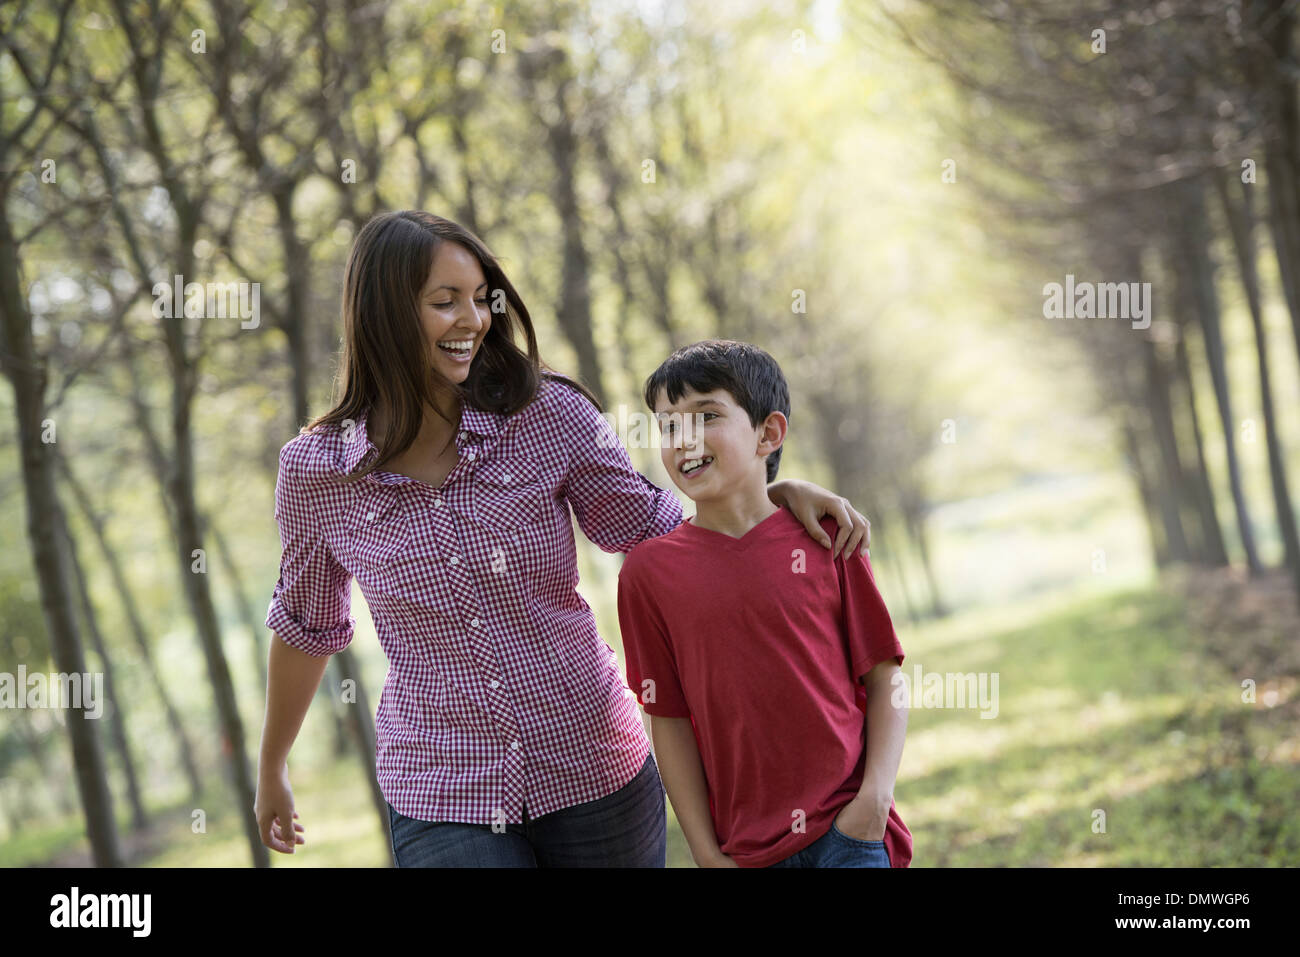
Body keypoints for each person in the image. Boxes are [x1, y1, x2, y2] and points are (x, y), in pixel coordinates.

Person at [253, 211, 875, 867]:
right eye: (445, 302)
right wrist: (272, 766)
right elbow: (305, 623)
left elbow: (656, 525)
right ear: (383, 315)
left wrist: (767, 494)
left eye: (478, 298)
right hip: (442, 787)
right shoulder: (315, 471)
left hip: (594, 767)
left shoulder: (545, 413)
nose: (473, 318)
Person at [617, 339, 912, 868]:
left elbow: (885, 675)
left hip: (850, 834)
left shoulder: (826, 536)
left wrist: (874, 800)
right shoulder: (648, 574)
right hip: (747, 853)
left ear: (768, 433)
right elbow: (669, 719)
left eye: (706, 415)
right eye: (666, 425)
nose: (683, 437)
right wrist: (706, 854)